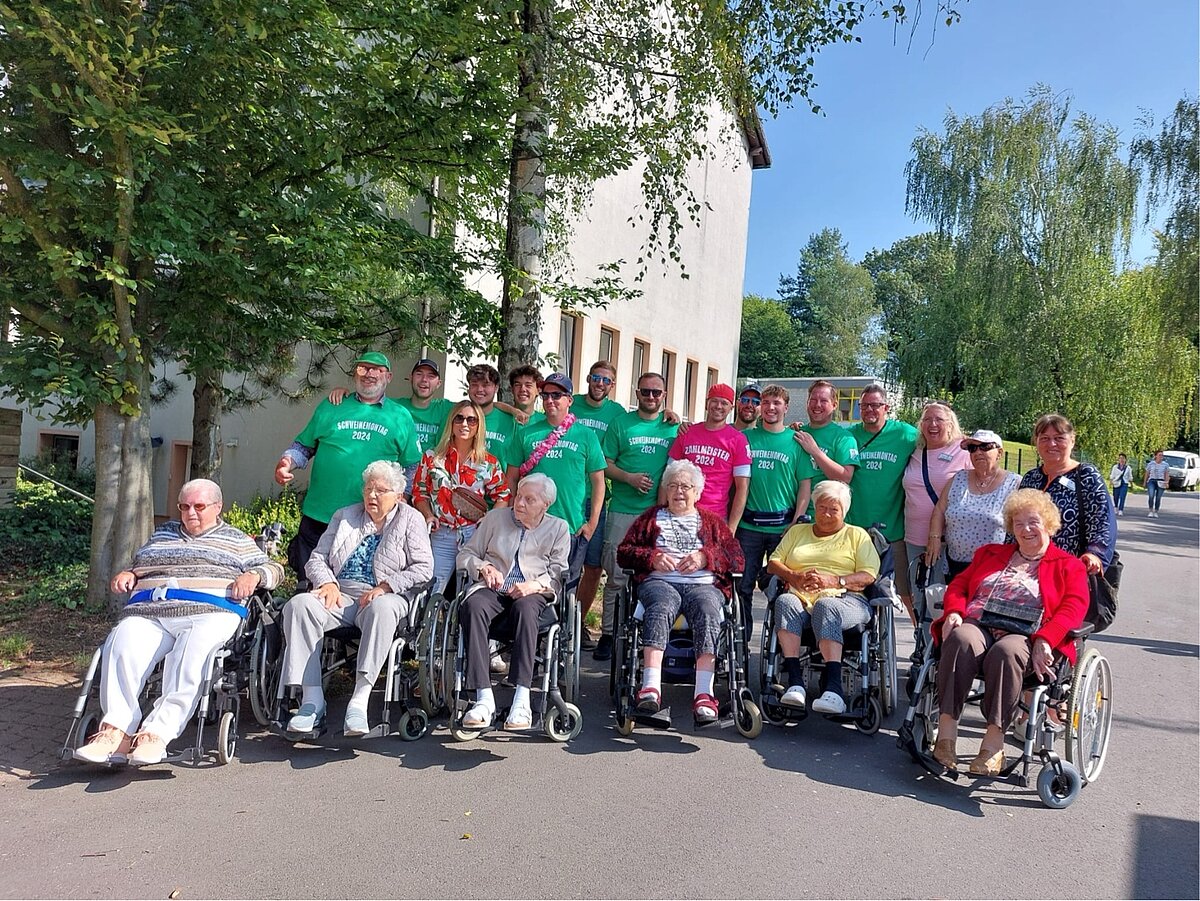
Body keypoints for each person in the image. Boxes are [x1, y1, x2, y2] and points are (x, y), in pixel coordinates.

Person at [72, 479, 284, 765]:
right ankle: (115, 731)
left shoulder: (235, 539)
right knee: (121, 643)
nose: (190, 513)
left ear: (218, 507)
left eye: (199, 506)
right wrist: (130, 574)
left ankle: (155, 734)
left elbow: (274, 568)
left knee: (192, 653)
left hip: (210, 610)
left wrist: (254, 576)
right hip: (152, 610)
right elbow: (141, 565)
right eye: (184, 507)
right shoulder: (163, 534)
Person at [931, 489, 1088, 775]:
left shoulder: (1069, 566)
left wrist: (1045, 640)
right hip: (980, 622)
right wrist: (953, 611)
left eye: (1033, 522)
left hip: (1026, 634)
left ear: (1049, 524)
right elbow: (959, 586)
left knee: (1007, 652)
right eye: (1018, 523)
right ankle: (946, 737)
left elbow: (1073, 608)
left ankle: (993, 746)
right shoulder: (990, 553)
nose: (1025, 529)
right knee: (961, 638)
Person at [279, 462, 434, 737]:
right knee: (299, 605)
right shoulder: (345, 516)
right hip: (341, 594)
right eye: (368, 489)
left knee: (382, 608)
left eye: (380, 490)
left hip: (387, 595)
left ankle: (359, 701)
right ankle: (311, 702)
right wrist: (327, 582)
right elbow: (317, 558)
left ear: (398, 495)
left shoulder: (411, 519)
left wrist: (387, 586)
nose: (372, 496)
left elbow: (424, 568)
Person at [617, 460, 745, 725]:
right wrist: (651, 557)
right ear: (665, 490)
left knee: (709, 609)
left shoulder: (712, 523)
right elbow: (624, 552)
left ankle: (704, 694)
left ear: (697, 492)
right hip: (661, 583)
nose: (679, 492)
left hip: (703, 585)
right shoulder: (650, 519)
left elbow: (736, 558)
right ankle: (650, 687)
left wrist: (704, 556)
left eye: (686, 486)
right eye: (673, 486)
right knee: (661, 605)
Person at [275, 351, 421, 581]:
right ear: (355, 373)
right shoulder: (332, 406)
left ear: (389, 377)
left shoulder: (400, 416)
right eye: (363, 368)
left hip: (370, 519)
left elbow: (412, 464)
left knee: (356, 584)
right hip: (320, 513)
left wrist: (404, 496)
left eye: (377, 370)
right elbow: (304, 446)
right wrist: (287, 463)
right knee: (309, 581)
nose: (369, 374)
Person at [456, 474, 571, 730]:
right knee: (472, 606)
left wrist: (535, 585)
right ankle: (483, 699)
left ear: (545, 505)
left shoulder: (558, 528)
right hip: (493, 588)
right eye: (519, 496)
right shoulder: (495, 519)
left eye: (529, 500)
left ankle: (521, 699)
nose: (520, 504)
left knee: (526, 608)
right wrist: (484, 567)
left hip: (532, 593)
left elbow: (558, 573)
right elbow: (467, 554)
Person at [766, 480, 881, 715]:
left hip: (847, 599)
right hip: (800, 596)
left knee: (826, 606)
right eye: (821, 507)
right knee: (784, 601)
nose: (826, 514)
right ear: (814, 507)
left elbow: (868, 575)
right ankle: (795, 683)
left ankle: (834, 689)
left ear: (844, 511)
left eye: (833, 509)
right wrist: (794, 576)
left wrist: (834, 580)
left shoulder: (857, 535)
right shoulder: (798, 532)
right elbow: (773, 562)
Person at [596, 371, 679, 661]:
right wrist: (628, 478)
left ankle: (648, 633)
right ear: (637, 393)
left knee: (656, 575)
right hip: (622, 509)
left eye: (657, 392)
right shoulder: (621, 424)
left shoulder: (673, 427)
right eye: (646, 392)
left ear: (665, 396)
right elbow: (603, 463)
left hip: (658, 514)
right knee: (617, 576)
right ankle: (608, 633)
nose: (651, 397)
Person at [505, 373, 606, 581]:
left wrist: (592, 524)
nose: (550, 400)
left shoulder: (586, 435)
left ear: (570, 400)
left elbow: (598, 482)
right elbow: (511, 478)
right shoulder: (526, 434)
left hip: (571, 527)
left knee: (564, 588)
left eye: (557, 395)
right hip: (532, 525)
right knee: (528, 584)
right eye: (546, 395)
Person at [737, 384, 814, 639]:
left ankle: (778, 649)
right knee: (742, 587)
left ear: (786, 408)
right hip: (748, 527)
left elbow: (805, 486)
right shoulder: (746, 438)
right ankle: (742, 644)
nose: (770, 407)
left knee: (781, 591)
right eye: (766, 402)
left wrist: (796, 521)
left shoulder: (795, 442)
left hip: (783, 529)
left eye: (776, 403)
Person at [412, 400, 511, 595]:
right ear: (452, 422)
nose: (464, 424)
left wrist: (489, 520)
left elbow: (503, 495)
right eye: (459, 418)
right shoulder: (432, 458)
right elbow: (420, 492)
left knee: (469, 593)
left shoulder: (488, 462)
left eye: (471, 420)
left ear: (478, 426)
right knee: (431, 590)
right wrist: (427, 515)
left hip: (474, 534)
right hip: (442, 532)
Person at [329, 357, 451, 498]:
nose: (424, 380)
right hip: (396, 486)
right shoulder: (394, 410)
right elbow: (367, 400)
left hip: (430, 486)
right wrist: (345, 394)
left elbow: (473, 409)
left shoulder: (446, 409)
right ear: (410, 378)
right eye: (419, 374)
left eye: (431, 376)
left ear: (439, 383)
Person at [847, 383, 918, 615]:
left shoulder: (904, 434)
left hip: (892, 532)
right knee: (853, 589)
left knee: (904, 592)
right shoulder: (849, 436)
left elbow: (938, 436)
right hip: (854, 530)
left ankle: (919, 641)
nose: (869, 410)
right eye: (864, 405)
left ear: (886, 407)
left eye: (875, 405)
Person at [571, 360, 628, 649]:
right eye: (596, 378)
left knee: (593, 566)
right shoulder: (569, 403)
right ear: (588, 379)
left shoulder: (617, 413)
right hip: (565, 494)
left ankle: (578, 623)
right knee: (562, 565)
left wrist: (671, 416)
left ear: (612, 386)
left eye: (606, 380)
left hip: (597, 498)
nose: (600, 384)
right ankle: (557, 622)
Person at [1018, 413, 1115, 575]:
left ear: (1072, 441)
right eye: (1044, 438)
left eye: (1059, 438)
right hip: (1027, 569)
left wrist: (1095, 555)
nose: (1052, 444)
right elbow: (1016, 520)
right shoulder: (1031, 478)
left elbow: (1103, 522)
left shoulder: (1086, 475)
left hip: (1070, 571)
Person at [901, 402, 970, 618]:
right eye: (927, 420)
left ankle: (941, 647)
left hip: (948, 539)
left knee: (942, 597)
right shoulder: (915, 452)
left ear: (950, 424)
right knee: (919, 595)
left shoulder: (963, 451)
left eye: (939, 419)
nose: (932, 424)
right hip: (914, 537)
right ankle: (923, 646)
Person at [927, 429, 1021, 581]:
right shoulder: (959, 478)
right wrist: (935, 537)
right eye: (973, 448)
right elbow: (939, 509)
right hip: (955, 566)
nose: (978, 452)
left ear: (999, 452)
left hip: (994, 570)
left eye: (985, 447)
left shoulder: (1015, 483)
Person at [667, 383, 751, 531]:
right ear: (707, 404)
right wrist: (661, 511)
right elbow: (668, 476)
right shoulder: (687, 432)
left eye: (724, 403)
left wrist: (731, 529)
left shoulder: (738, 440)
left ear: (731, 408)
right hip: (681, 515)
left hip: (715, 518)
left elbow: (742, 488)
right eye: (714, 401)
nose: (718, 406)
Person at [793, 380, 858, 513]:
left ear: (834, 405)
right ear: (807, 402)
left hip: (826, 516)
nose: (817, 405)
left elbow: (845, 478)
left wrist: (815, 452)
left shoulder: (843, 438)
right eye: (813, 399)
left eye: (824, 401)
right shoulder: (797, 433)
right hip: (793, 513)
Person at [467, 363, 519, 457]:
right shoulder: (458, 418)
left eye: (486, 385)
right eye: (474, 384)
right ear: (469, 388)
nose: (479, 389)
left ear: (496, 388)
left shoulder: (511, 422)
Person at [1144, 450, 1169, 518]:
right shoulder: (1151, 464)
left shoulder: (1165, 465)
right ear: (1156, 456)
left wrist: (1166, 482)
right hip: (1152, 480)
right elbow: (1147, 473)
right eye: (1159, 455)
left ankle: (1156, 511)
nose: (1161, 457)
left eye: (1162, 455)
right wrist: (1145, 482)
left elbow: (1166, 474)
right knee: (1151, 496)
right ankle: (1150, 510)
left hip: (1161, 481)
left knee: (1158, 497)